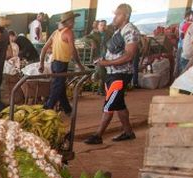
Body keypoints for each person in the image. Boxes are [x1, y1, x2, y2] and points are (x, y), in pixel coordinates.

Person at [84, 4, 140, 145]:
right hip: (113, 73)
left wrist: (106, 63)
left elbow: (129, 56)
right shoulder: (118, 31)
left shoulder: (130, 31)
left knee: (109, 104)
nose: (114, 17)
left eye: (118, 14)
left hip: (120, 74)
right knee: (119, 104)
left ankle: (98, 135)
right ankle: (128, 132)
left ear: (125, 16)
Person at [40, 12, 86, 115]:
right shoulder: (68, 32)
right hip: (61, 64)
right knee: (57, 87)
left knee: (60, 86)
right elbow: (73, 51)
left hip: (54, 63)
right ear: (68, 22)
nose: (74, 22)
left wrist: (42, 64)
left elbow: (43, 49)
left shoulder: (55, 33)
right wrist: (80, 65)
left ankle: (67, 109)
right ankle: (47, 108)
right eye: (72, 20)